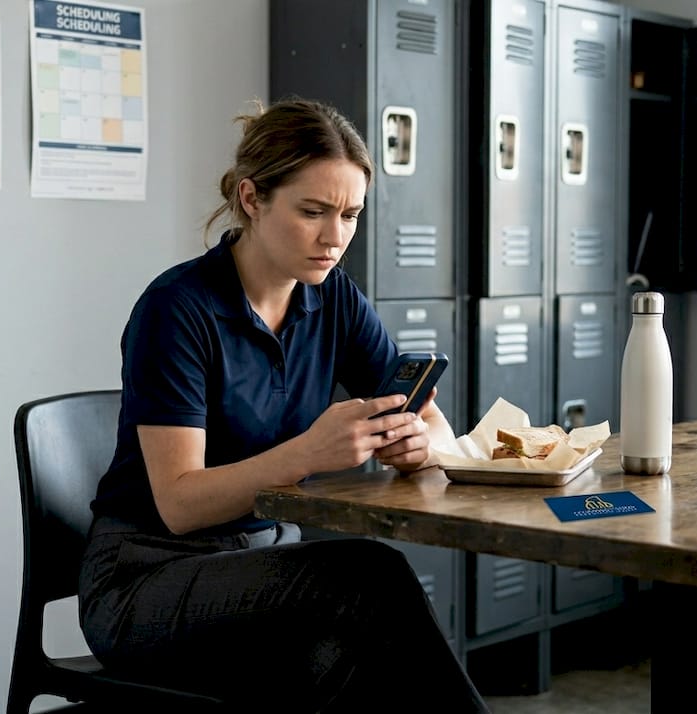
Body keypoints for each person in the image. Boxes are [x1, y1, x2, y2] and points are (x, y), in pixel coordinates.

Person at [78, 98, 489, 712]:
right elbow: (181, 504)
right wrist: (305, 454)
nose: (335, 238)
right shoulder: (176, 309)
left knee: (348, 658)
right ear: (252, 199)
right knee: (368, 577)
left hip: (263, 563)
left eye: (351, 215)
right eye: (313, 212)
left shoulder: (336, 299)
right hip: (145, 579)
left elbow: (429, 417)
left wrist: (416, 445)